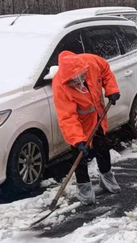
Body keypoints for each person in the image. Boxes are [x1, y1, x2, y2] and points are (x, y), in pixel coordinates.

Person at [52, 50, 122, 205]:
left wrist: (111, 89)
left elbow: (106, 70)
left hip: (97, 114)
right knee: (79, 155)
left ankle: (107, 178)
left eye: (81, 76)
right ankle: (84, 187)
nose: (80, 80)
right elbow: (67, 117)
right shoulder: (61, 86)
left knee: (102, 147)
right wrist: (78, 140)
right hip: (79, 123)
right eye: (75, 80)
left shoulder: (90, 62)